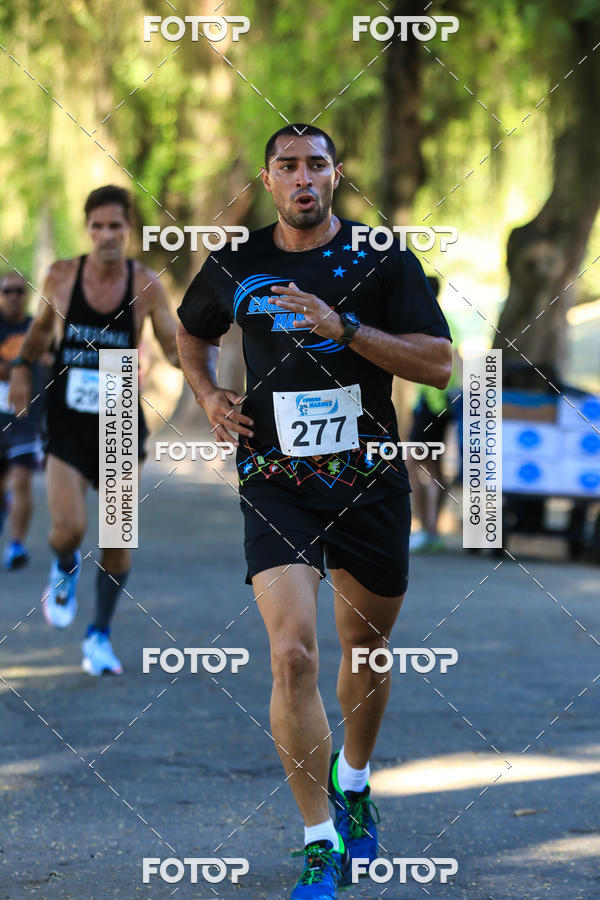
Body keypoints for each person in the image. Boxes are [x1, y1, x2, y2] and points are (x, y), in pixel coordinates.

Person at [177, 124, 452, 898]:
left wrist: (346, 329)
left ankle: (355, 781)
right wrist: (208, 394)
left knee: (364, 647)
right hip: (274, 478)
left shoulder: (381, 257)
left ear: (336, 176)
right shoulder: (237, 261)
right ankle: (318, 838)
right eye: (288, 167)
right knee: (292, 654)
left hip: (368, 478)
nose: (304, 178)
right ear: (268, 180)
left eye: (317, 165)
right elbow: (189, 333)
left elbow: (437, 360)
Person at [9, 185, 179, 675]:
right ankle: (64, 568)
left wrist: (209, 376)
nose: (106, 235)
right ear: (88, 228)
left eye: (116, 227)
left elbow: (172, 346)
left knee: (116, 539)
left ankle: (99, 635)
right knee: (68, 530)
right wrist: (22, 364)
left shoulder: (146, 284)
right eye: (98, 226)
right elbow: (42, 330)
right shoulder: (63, 275)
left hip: (122, 416)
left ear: (129, 230)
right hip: (66, 417)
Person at [407, 276, 463, 552]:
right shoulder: (444, 318)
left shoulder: (434, 320)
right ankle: (432, 530)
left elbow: (451, 358)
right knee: (433, 466)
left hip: (435, 403)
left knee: (417, 462)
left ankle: (428, 529)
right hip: (435, 403)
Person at [0, 272, 43, 569]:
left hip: (24, 419)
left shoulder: (36, 330)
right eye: (7, 291)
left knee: (22, 479)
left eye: (19, 291)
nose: (13, 296)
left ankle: (16, 545)